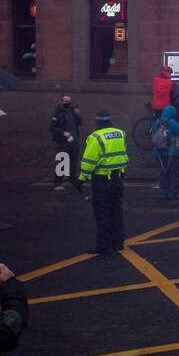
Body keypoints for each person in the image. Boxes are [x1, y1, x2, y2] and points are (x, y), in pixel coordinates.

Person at [78, 109, 129, 255]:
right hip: (118, 178)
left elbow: (89, 161)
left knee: (102, 212)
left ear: (97, 121)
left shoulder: (96, 137)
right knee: (116, 210)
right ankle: (118, 242)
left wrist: (82, 178)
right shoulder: (120, 133)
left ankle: (103, 245)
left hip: (102, 180)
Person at [49, 95, 83, 193]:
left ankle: (73, 180)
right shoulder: (57, 112)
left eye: (68, 101)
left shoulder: (73, 111)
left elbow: (80, 123)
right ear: (61, 101)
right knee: (61, 162)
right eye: (65, 101)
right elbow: (51, 128)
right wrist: (63, 132)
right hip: (62, 141)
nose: (67, 103)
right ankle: (58, 183)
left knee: (74, 161)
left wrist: (78, 115)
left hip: (74, 140)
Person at [151, 104, 179, 202]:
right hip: (171, 153)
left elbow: (152, 134)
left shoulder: (156, 122)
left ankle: (163, 193)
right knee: (173, 172)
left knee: (162, 173)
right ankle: (173, 192)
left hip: (158, 153)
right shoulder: (172, 122)